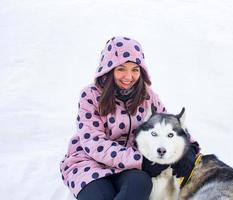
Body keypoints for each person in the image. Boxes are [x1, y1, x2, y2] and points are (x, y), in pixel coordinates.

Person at [59, 36, 200, 200]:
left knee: (141, 183)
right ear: (108, 69)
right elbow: (94, 143)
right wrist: (141, 160)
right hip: (89, 163)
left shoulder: (147, 96)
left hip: (128, 168)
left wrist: (189, 149)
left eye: (135, 69)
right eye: (121, 69)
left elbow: (169, 125)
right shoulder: (90, 95)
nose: (128, 76)